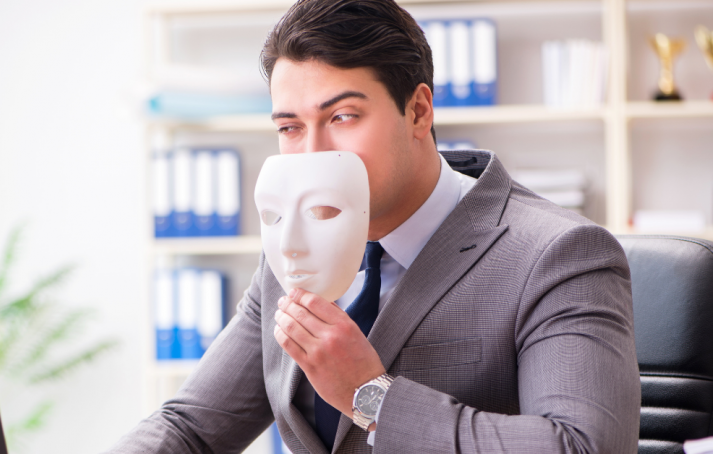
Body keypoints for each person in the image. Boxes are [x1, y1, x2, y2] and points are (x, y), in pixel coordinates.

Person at [106, 0, 641, 452]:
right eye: (291, 127)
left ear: (419, 111)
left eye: (341, 117)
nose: (312, 153)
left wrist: (370, 394)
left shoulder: (558, 253)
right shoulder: (290, 254)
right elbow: (190, 428)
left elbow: (581, 445)